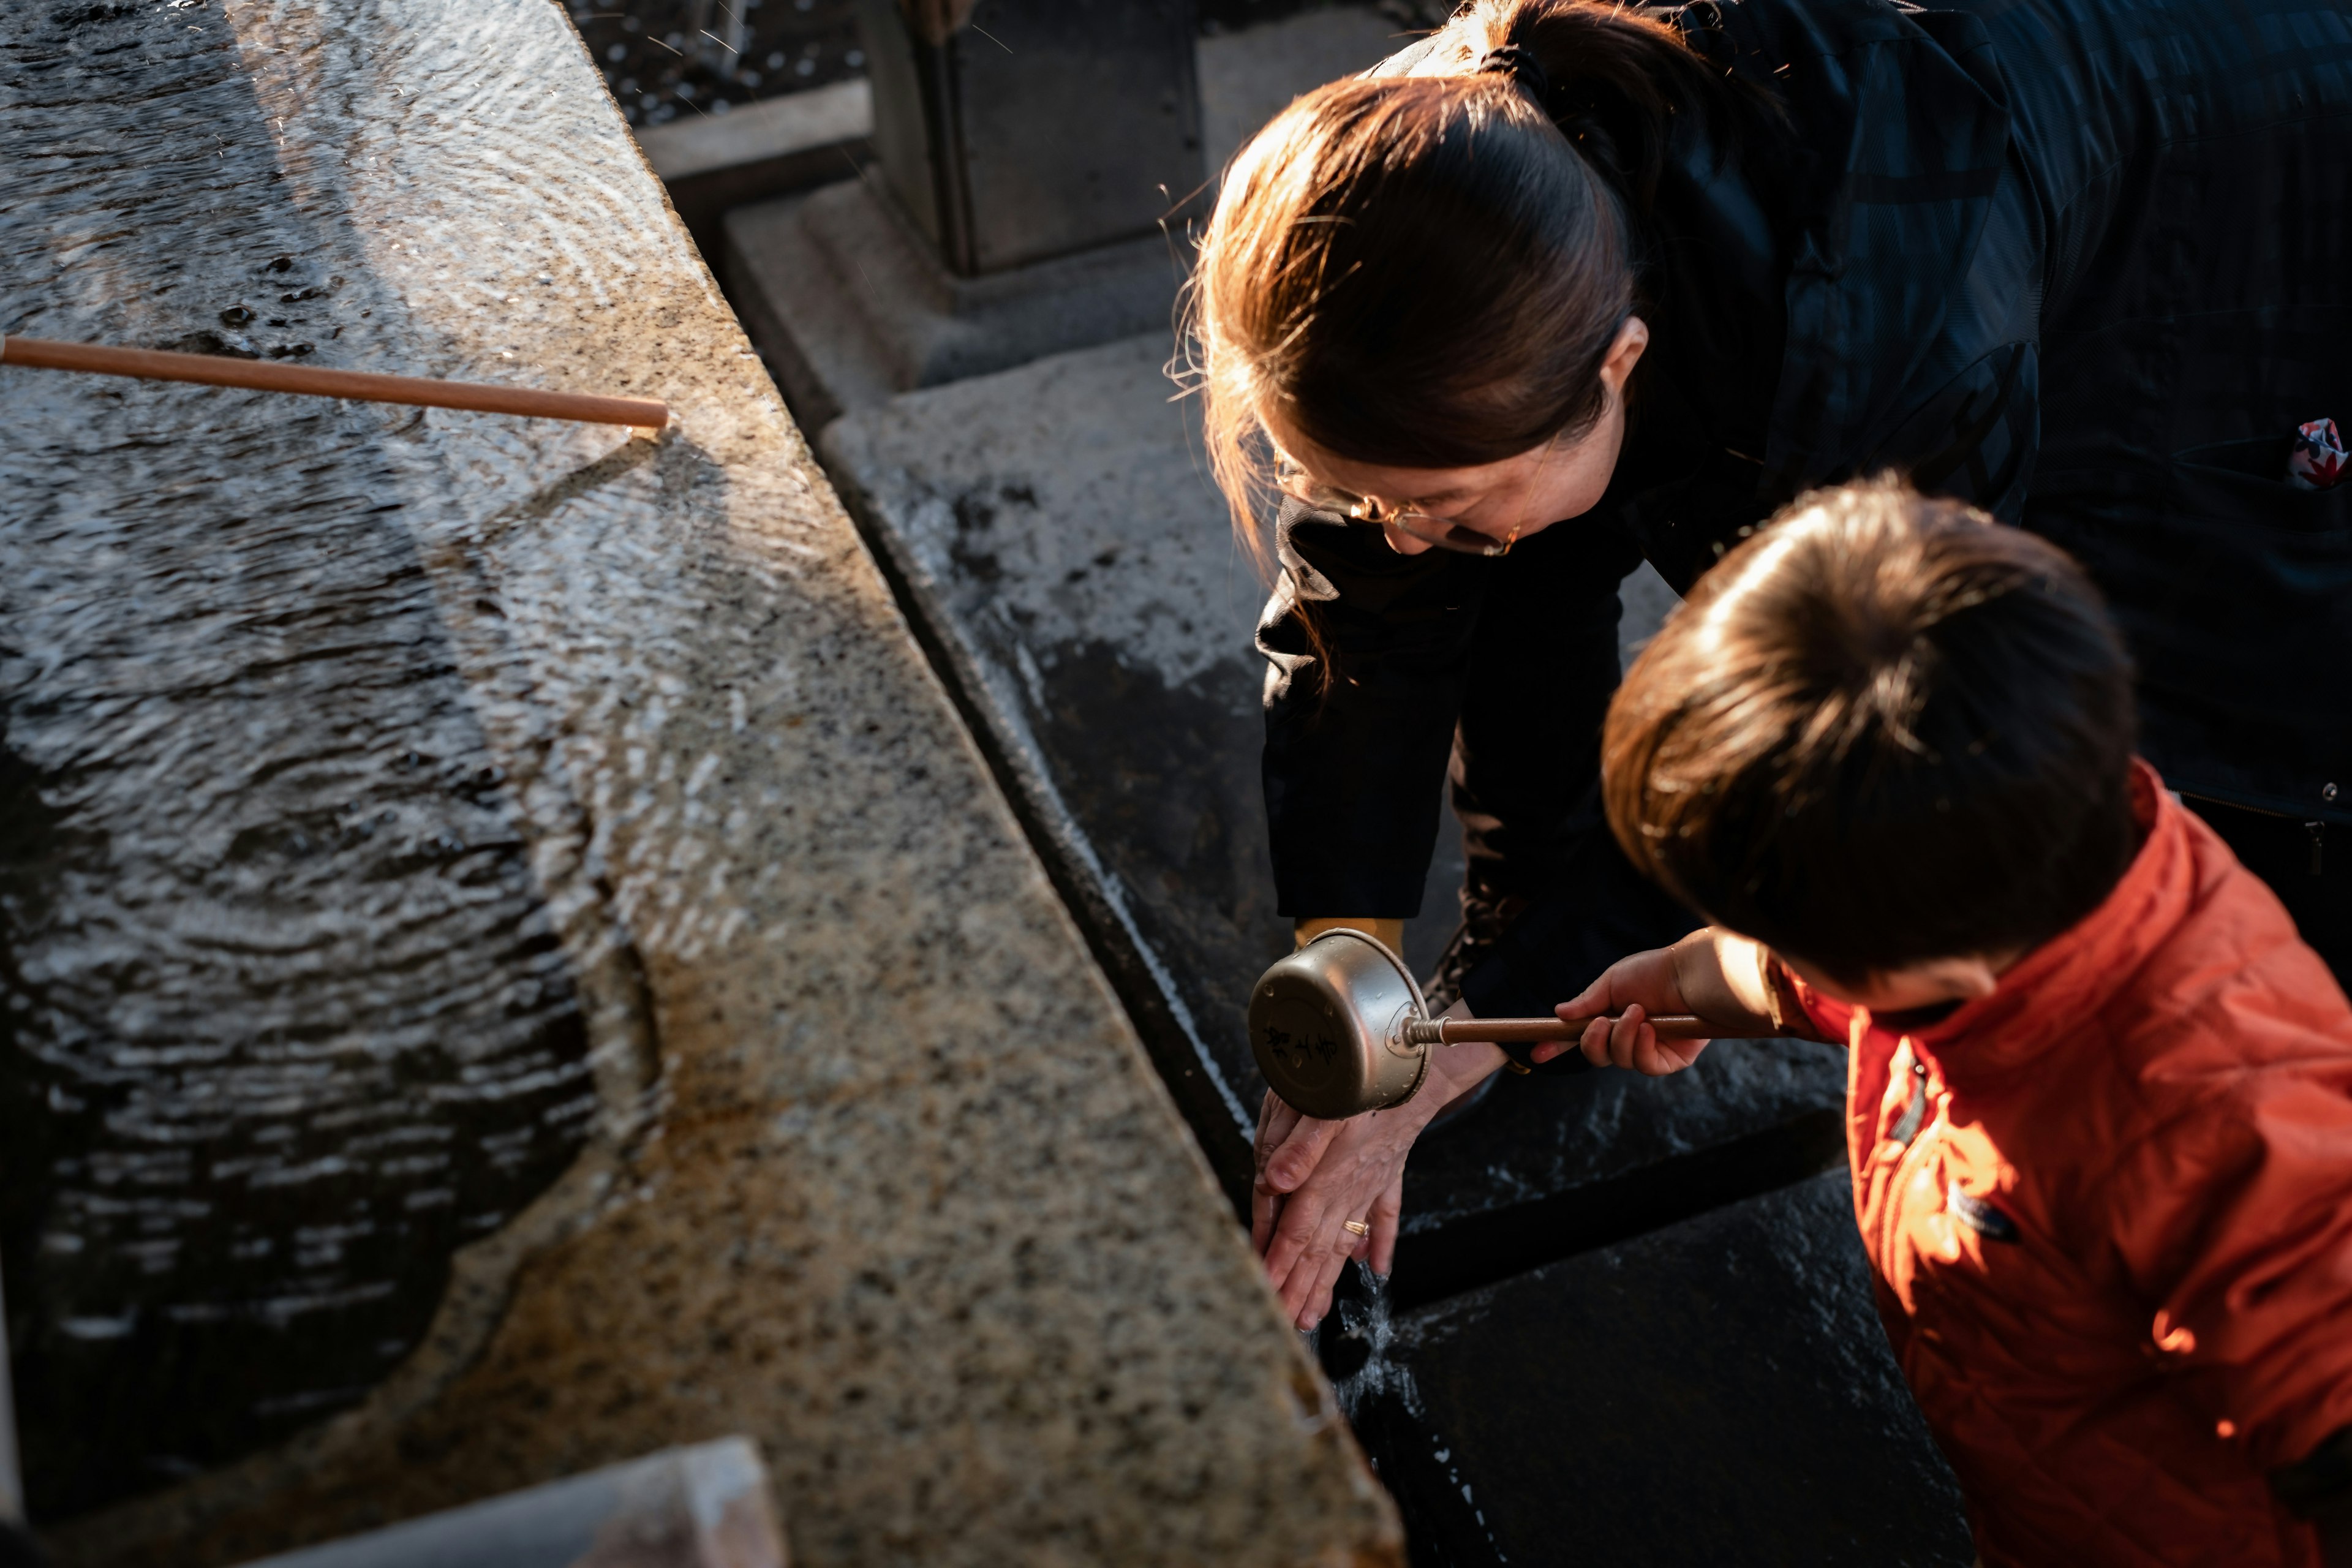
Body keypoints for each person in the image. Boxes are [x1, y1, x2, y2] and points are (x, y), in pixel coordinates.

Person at [1188, 0, 2352, 1327]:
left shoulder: (1884, 349)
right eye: (1367, 492)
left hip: (2254, 190)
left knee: (2240, 718)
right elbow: (1374, 611)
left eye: (1441, 500)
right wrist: (1358, 978)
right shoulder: (1412, 212)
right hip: (1965, 189)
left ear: (1623, 358)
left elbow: (1806, 732)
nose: (1399, 535)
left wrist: (1496, 1017)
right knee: (1510, 540)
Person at [1573, 484, 2351, 1564]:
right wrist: (1678, 980)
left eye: (1772, 932)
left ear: (1921, 966)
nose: (1764, 950)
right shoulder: (2010, 851)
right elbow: (1819, 979)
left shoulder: (2218, 1126)